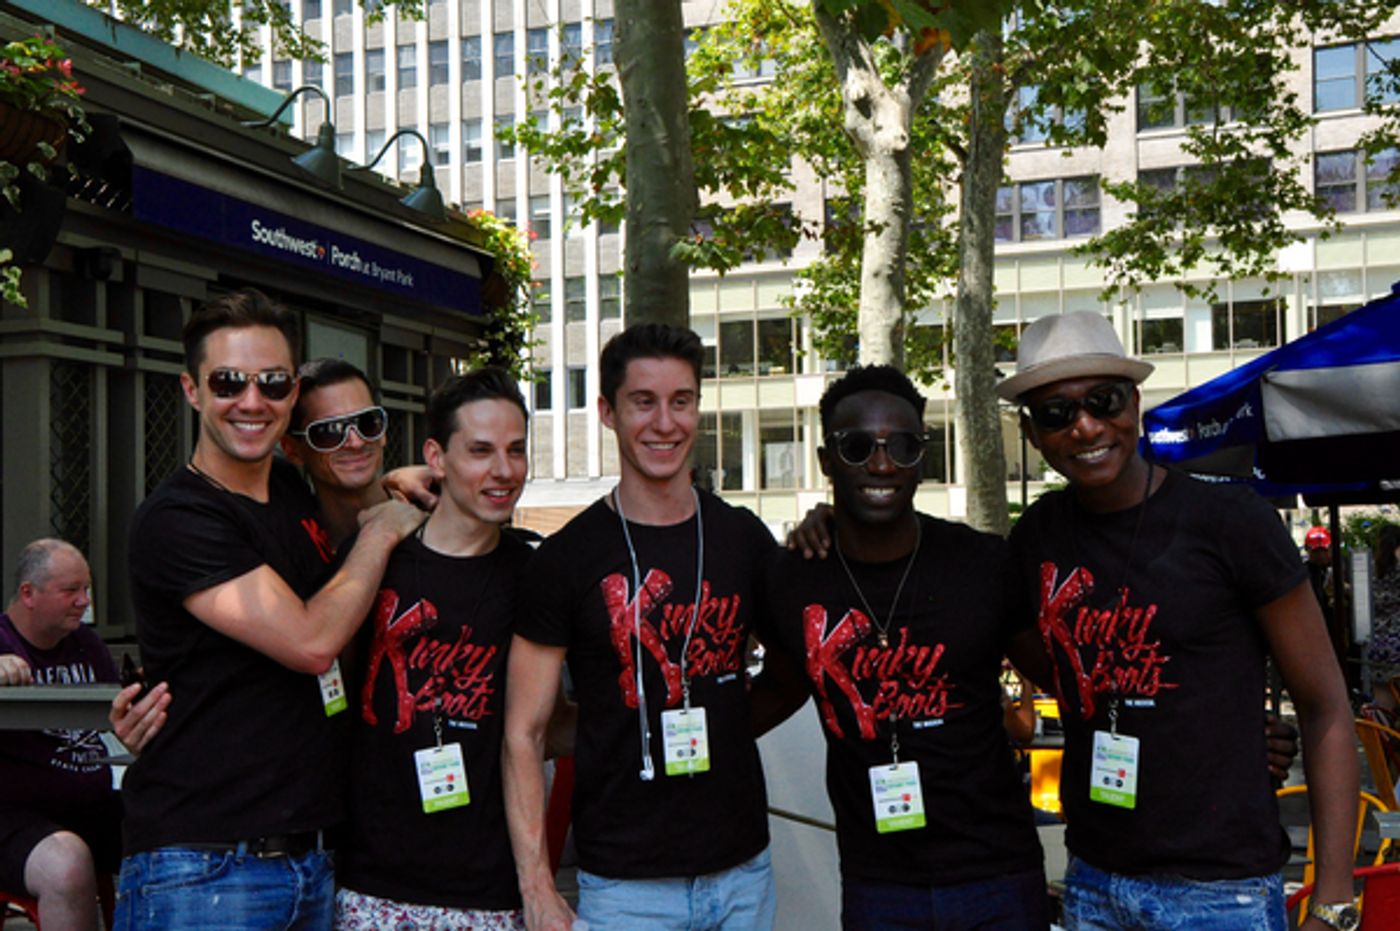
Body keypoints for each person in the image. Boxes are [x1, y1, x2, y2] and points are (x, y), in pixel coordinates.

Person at [1000, 311, 1358, 931]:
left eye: (1103, 400)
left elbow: (1326, 707)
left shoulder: (1229, 521)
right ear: (1032, 433)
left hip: (1220, 891)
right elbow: (1038, 652)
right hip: (1095, 884)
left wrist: (1332, 896)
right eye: (1056, 413)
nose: (1086, 426)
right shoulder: (1038, 535)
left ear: (1135, 403)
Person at [117, 288, 421, 930]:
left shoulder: (288, 490)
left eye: (274, 383)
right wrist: (383, 528)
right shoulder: (180, 518)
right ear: (192, 390)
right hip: (206, 869)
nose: (252, 402)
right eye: (228, 382)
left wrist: (403, 485)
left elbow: (349, 487)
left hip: (309, 862)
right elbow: (312, 642)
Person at [503, 323, 778, 931]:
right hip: (624, 889)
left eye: (681, 401)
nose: (664, 423)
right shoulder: (566, 559)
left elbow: (801, 662)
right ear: (607, 411)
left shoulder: (742, 540)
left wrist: (731, 720)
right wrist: (538, 887)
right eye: (643, 402)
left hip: (743, 876)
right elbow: (525, 732)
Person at [758, 365, 1051, 930]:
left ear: (923, 456)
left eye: (904, 446)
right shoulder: (792, 579)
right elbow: (778, 688)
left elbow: (1070, 678)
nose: (882, 463)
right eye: (858, 446)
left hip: (997, 877)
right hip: (879, 885)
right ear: (826, 462)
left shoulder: (984, 565)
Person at [336, 368, 545, 930]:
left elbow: (542, 724)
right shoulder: (373, 557)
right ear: (438, 455)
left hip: (489, 893)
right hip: (370, 886)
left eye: (516, 451)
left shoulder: (536, 576)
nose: (503, 471)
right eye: (479, 451)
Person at [0, 540, 120, 931]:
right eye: (71, 590)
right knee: (66, 864)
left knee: (177, 830)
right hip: (15, 819)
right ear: (28, 594)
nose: (84, 601)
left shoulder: (88, 645)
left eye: (87, 590)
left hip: (94, 808)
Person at [281, 358, 391, 554]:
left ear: (383, 432)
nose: (356, 442)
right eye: (329, 431)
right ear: (293, 450)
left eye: (367, 423)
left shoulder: (434, 516)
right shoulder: (290, 550)